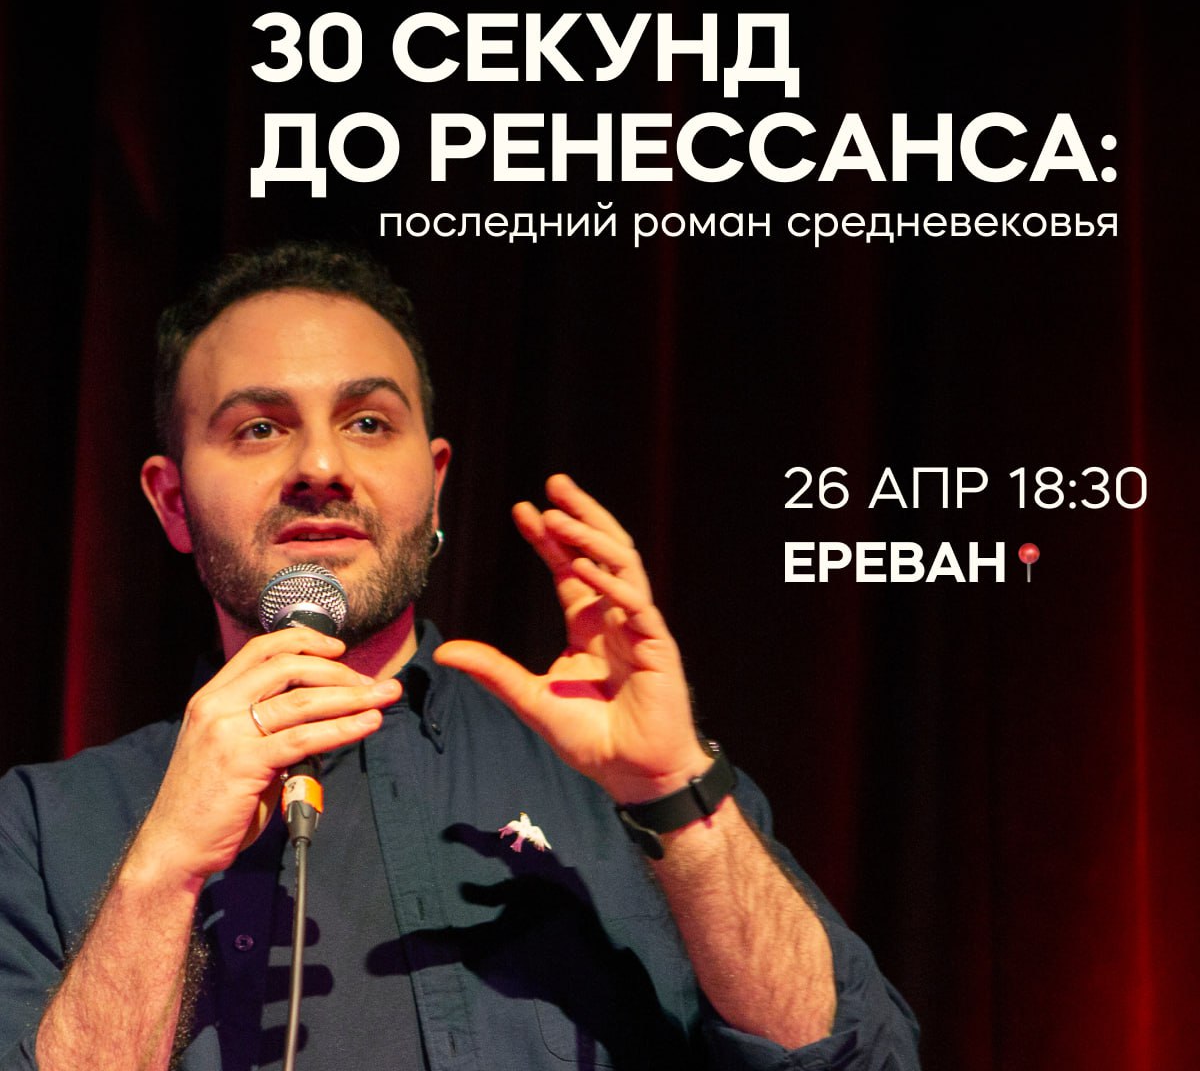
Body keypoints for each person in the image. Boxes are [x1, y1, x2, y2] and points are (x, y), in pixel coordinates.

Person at [0, 242, 919, 1070]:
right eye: (259, 428)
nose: (320, 465)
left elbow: (864, 1060)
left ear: (436, 486)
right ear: (171, 502)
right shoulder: (46, 826)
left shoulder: (625, 785)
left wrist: (675, 794)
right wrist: (162, 872)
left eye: (368, 422)